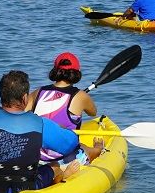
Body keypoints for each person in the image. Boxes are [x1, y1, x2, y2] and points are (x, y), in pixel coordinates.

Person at [0, 70, 103, 193]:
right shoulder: (40, 124)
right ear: (24, 98)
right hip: (25, 189)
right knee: (54, 167)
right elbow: (70, 145)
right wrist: (61, 128)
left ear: (1, 95)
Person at [25, 52, 100, 181]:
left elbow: (23, 113)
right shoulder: (80, 96)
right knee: (86, 148)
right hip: (63, 159)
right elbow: (93, 112)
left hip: (36, 157)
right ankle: (99, 149)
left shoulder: (38, 92)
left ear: (55, 71)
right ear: (76, 73)